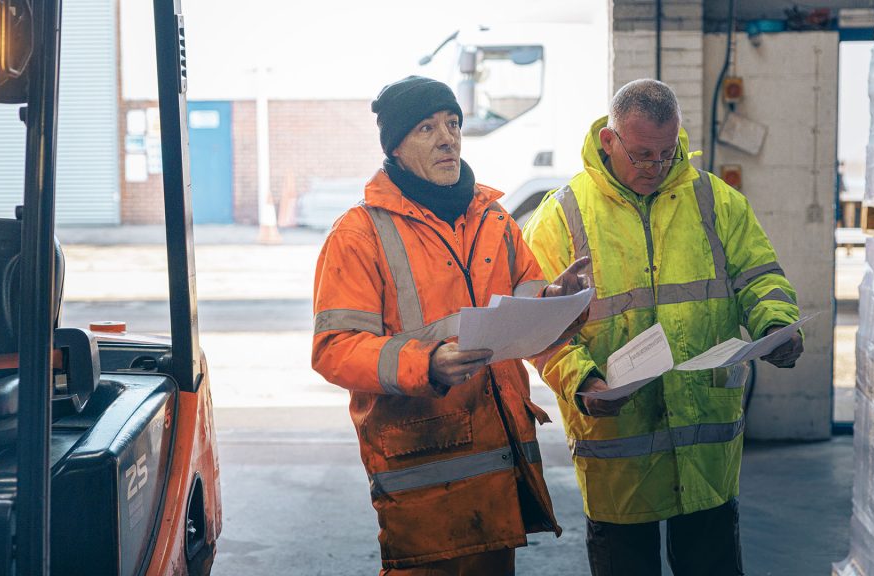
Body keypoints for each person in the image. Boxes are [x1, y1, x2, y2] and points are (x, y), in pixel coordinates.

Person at [521, 78, 804, 576]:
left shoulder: (715, 201)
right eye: (642, 155)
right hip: (619, 451)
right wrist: (583, 382)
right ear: (609, 142)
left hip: (705, 449)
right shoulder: (561, 216)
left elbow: (760, 278)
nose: (655, 168)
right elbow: (540, 328)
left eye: (666, 153)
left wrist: (777, 325)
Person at [311, 76, 589, 576]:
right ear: (395, 146)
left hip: (497, 465)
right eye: (426, 127)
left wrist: (554, 299)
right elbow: (334, 348)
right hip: (422, 468)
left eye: (453, 123)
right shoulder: (358, 234)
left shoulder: (495, 218)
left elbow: (524, 297)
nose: (447, 137)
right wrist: (427, 363)